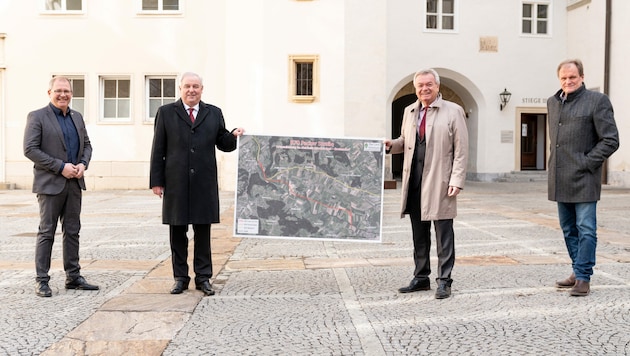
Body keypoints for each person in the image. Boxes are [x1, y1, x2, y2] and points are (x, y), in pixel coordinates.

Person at [150, 72, 245, 296]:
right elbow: (158, 148)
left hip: (203, 183)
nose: (191, 90)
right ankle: (180, 278)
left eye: (196, 87)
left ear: (202, 89)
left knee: (203, 232)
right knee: (177, 232)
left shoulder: (213, 113)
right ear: (180, 89)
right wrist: (157, 181)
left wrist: (234, 136)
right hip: (176, 182)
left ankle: (203, 278)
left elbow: (223, 143)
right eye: (187, 86)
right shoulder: (165, 113)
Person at [385, 69, 468, 299]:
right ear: (416, 88)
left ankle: (444, 280)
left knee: (443, 234)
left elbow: (461, 150)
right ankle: (421, 277)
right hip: (414, 180)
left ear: (437, 86)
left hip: (441, 181)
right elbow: (406, 141)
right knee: (418, 234)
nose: (424, 89)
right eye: (420, 85)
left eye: (429, 84)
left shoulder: (454, 111)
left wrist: (457, 180)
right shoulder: (409, 111)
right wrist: (391, 145)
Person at [547, 59, 619, 297]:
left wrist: (586, 163)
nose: (568, 81)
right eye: (564, 78)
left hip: (584, 178)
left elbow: (610, 139)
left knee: (586, 229)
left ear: (582, 77)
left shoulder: (597, 101)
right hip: (560, 178)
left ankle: (583, 277)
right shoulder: (552, 103)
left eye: (573, 77)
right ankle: (577, 271)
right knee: (568, 229)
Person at [23, 76, 98, 297]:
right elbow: (30, 149)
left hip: (75, 183)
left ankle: (73, 276)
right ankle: (42, 280)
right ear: (49, 93)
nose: (63, 94)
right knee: (47, 232)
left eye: (67, 91)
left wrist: (83, 164)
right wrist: (60, 167)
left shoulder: (77, 117)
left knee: (73, 231)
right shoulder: (37, 116)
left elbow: (87, 145)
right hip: (50, 184)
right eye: (58, 91)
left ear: (71, 94)